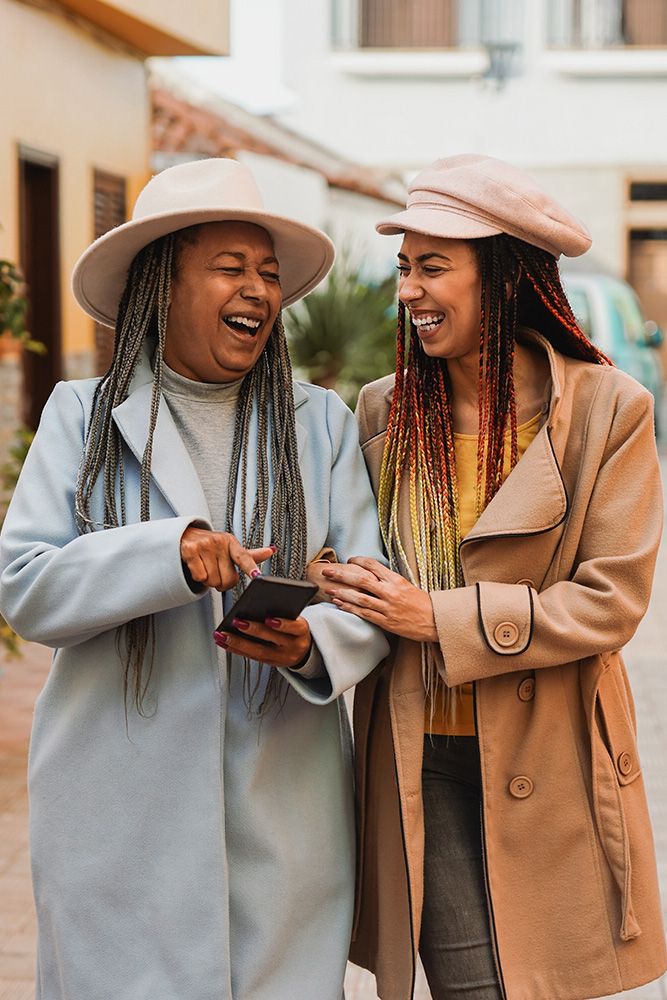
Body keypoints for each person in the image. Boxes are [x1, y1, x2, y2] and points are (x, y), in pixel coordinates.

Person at [0, 157, 389, 1000]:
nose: (256, 290)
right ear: (161, 286)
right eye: (228, 268)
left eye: (268, 274)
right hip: (119, 815)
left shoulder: (317, 422)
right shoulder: (82, 418)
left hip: (281, 808)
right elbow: (24, 588)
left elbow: (371, 584)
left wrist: (309, 643)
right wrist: (164, 554)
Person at [316, 155, 667, 1000]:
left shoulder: (609, 410)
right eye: (404, 268)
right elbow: (362, 566)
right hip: (419, 755)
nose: (408, 291)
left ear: (506, 277)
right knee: (471, 988)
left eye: (433, 266)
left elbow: (609, 600)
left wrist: (437, 617)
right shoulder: (382, 409)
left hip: (557, 756)